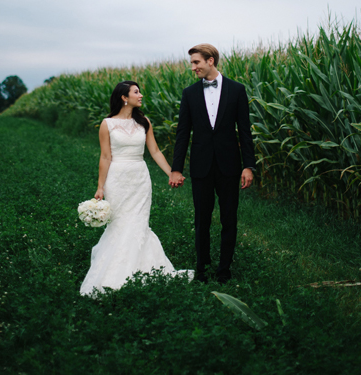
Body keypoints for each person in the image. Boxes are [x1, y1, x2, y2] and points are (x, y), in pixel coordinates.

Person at [80, 81, 192, 294]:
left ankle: (142, 269)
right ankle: (114, 274)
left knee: (139, 223)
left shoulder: (144, 122)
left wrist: (171, 172)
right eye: (136, 92)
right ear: (124, 97)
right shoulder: (107, 124)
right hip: (118, 179)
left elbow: (156, 151)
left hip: (140, 178)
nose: (140, 95)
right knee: (120, 224)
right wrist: (100, 187)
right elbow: (105, 157)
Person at [170, 43, 255, 284]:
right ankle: (201, 268)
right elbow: (183, 133)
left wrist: (248, 165)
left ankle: (224, 269)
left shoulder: (237, 90)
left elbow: (245, 132)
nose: (193, 67)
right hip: (201, 165)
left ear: (211, 60)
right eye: (191, 63)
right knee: (202, 218)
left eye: (196, 62)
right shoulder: (189, 93)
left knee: (229, 217)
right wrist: (176, 168)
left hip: (229, 164)